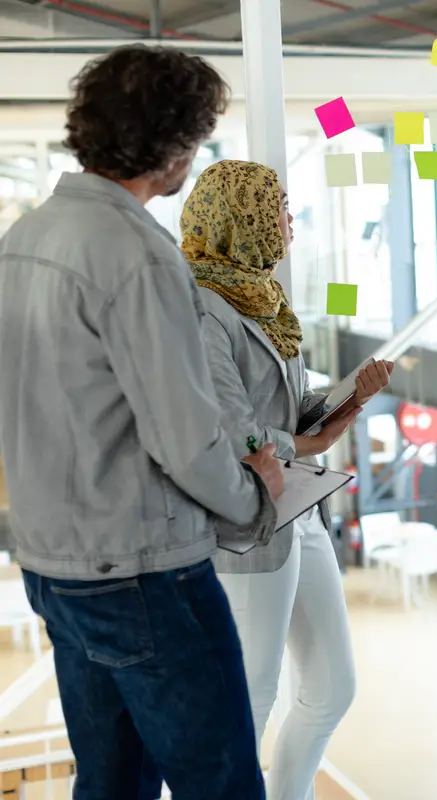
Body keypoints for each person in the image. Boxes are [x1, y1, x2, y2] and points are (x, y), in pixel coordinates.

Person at [0, 46, 284, 799]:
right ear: (173, 144)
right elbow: (185, 437)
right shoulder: (138, 255)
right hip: (143, 571)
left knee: (111, 784)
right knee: (222, 785)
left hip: (53, 565)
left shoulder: (23, 242)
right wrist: (257, 495)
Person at [180, 159, 394, 799]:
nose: (288, 221)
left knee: (332, 687)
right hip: (248, 524)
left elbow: (289, 412)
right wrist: (315, 440)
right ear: (239, 221)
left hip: (301, 516)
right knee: (251, 698)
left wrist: (346, 399)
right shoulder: (202, 310)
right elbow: (232, 432)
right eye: (277, 209)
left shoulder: (263, 299)